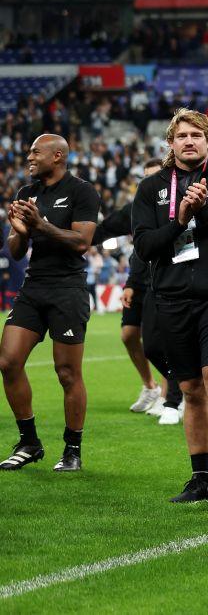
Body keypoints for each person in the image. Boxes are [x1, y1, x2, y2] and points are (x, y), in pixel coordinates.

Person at [132, 108, 208, 508]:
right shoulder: (152, 189)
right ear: (170, 143)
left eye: (196, 135)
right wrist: (180, 220)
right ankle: (200, 477)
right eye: (181, 136)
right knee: (190, 389)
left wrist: (205, 211)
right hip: (170, 298)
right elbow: (145, 247)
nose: (189, 141)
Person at [0, 134, 99, 472]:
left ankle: (72, 449)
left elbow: (82, 241)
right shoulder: (26, 193)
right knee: (8, 362)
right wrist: (22, 232)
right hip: (34, 286)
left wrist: (41, 224)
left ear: (57, 156)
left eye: (35, 152)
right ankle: (29, 442)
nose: (29, 157)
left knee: (67, 372)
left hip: (67, 288)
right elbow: (14, 250)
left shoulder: (81, 191)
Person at [91, 159, 165, 414]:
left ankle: (169, 397)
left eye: (155, 176)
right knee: (129, 335)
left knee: (162, 340)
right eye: (145, 178)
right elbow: (106, 229)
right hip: (140, 279)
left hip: (167, 281)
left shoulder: (177, 206)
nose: (149, 182)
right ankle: (150, 387)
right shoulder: (136, 209)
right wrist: (75, 238)